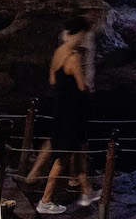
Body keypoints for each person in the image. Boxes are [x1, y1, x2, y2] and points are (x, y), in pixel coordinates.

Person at [37, 17, 99, 215]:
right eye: (84, 34)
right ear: (79, 33)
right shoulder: (73, 57)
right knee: (62, 159)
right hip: (72, 113)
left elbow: (53, 80)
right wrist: (87, 89)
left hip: (61, 109)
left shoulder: (58, 52)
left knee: (79, 150)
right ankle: (45, 200)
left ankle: (86, 191)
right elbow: (82, 86)